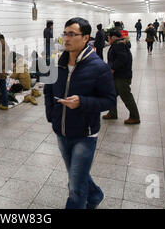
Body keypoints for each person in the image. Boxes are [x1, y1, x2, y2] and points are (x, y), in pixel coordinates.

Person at [44, 17, 116, 209]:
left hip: (85, 134)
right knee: (77, 175)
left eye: (72, 34)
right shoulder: (57, 64)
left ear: (85, 38)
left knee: (75, 185)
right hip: (62, 131)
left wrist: (82, 102)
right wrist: (52, 116)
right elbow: (48, 91)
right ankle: (95, 196)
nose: (66, 38)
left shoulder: (99, 68)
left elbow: (110, 100)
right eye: (65, 34)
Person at [103, 29, 140, 124]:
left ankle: (135, 117)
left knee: (126, 96)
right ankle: (112, 113)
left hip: (122, 77)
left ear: (113, 37)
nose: (108, 39)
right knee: (111, 94)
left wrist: (113, 68)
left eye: (108, 37)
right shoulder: (118, 44)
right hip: (118, 76)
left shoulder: (119, 45)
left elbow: (122, 59)